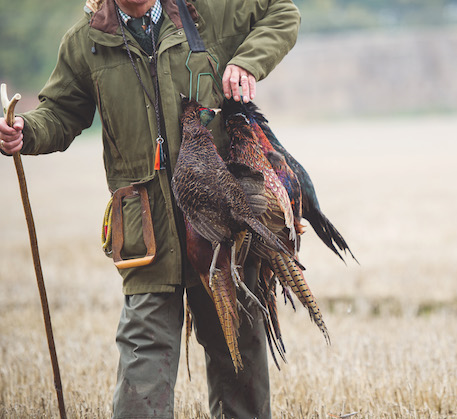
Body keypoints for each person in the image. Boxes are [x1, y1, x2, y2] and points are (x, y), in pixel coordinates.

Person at [0, 0, 300, 417]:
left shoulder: (205, 12)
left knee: (240, 371)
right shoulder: (87, 42)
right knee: (142, 378)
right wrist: (25, 131)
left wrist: (248, 61)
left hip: (220, 232)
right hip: (146, 239)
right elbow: (61, 112)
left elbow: (282, 12)